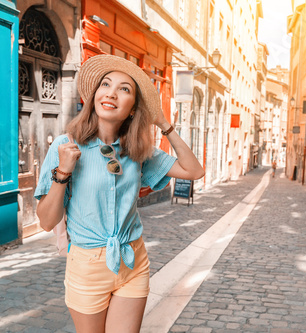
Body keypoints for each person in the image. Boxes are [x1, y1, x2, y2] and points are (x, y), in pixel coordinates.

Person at [34, 54, 204, 333]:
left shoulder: (137, 151)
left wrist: (164, 124)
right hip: (87, 265)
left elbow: (194, 171)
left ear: (133, 109)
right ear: (95, 95)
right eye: (105, 84)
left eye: (124, 89)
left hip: (132, 260)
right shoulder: (65, 147)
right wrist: (62, 173)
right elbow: (46, 221)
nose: (111, 93)